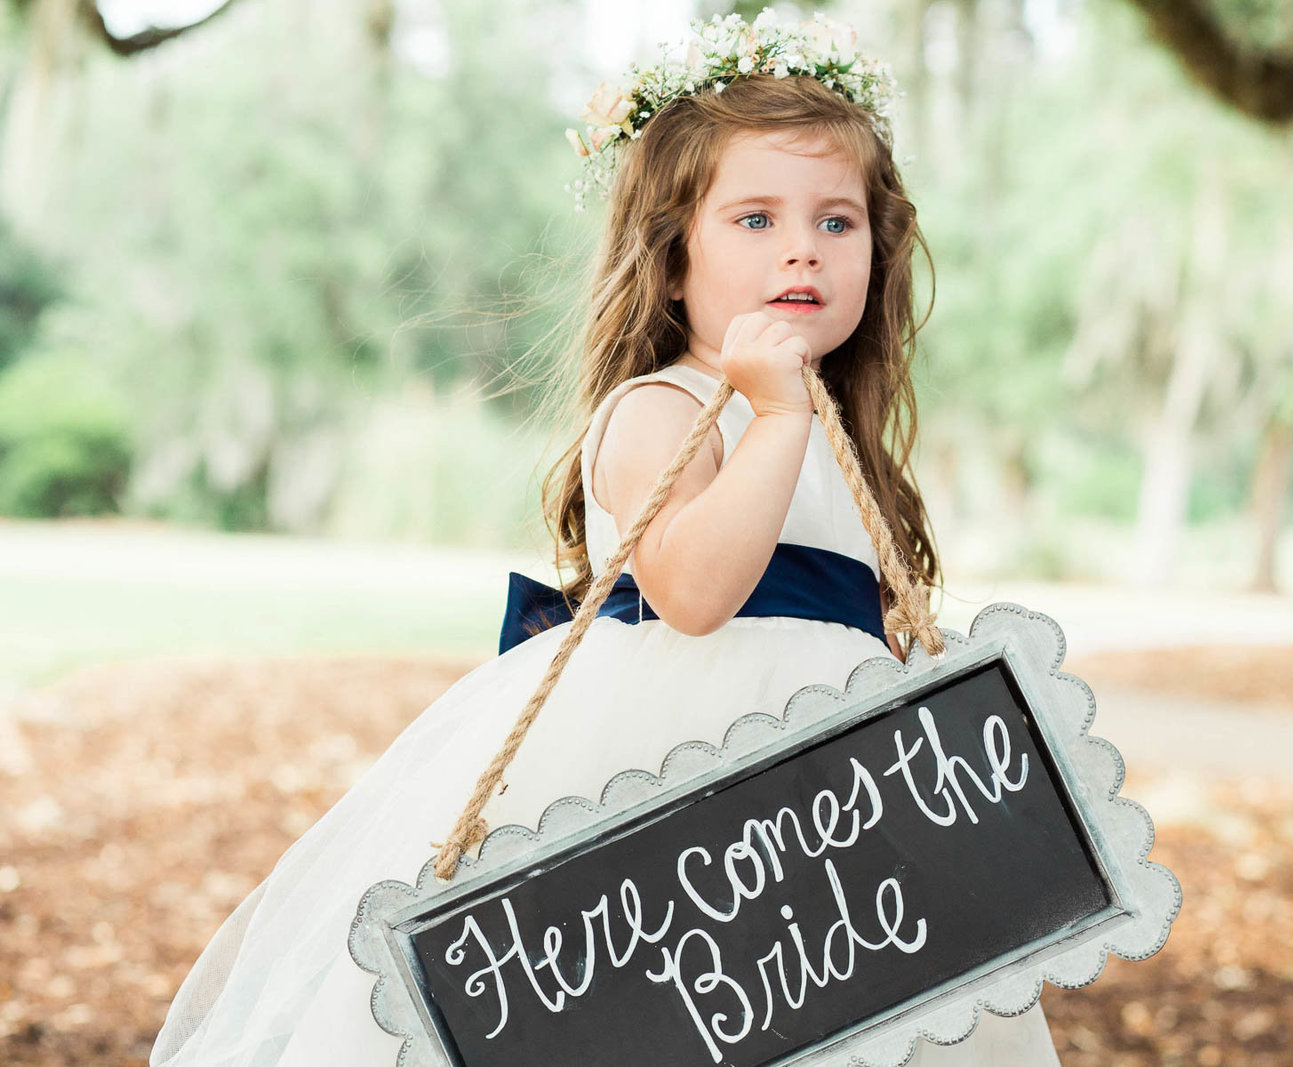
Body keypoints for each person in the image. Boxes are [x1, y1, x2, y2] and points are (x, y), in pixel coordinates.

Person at [150, 10, 1060, 1066]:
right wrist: (772, 417)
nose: (802, 246)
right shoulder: (663, 411)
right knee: (681, 1014)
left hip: (831, 803)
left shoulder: (830, 435)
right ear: (673, 262)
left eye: (838, 221)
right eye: (755, 219)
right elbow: (695, 591)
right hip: (685, 786)